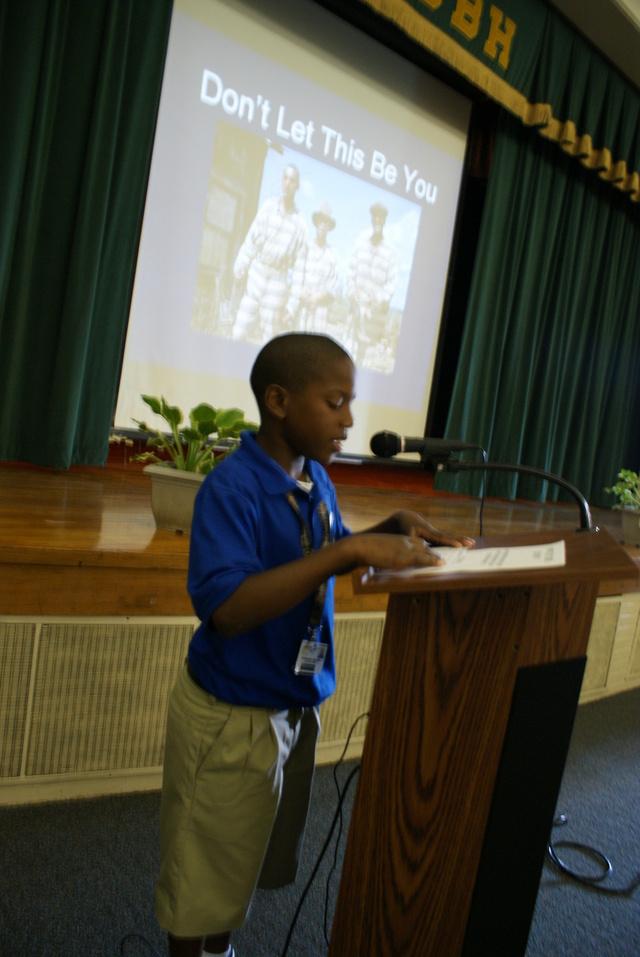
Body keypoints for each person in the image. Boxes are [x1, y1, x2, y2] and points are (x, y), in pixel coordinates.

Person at [155, 332, 474, 957]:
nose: (350, 420)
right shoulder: (232, 488)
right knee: (204, 880)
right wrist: (348, 551)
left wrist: (389, 530)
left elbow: (323, 547)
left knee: (240, 862)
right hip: (231, 717)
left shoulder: (315, 479)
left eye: (351, 402)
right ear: (278, 400)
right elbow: (227, 610)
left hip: (291, 707)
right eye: (336, 402)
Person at [231, 164, 307, 343]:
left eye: (292, 180)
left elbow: (299, 269)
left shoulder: (300, 223)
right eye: (285, 178)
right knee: (238, 332)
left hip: (277, 282)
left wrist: (292, 305)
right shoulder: (268, 207)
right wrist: (240, 266)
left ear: (297, 186)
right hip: (257, 273)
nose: (287, 184)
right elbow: (250, 241)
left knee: (269, 341)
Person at [347, 202, 398, 365]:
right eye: (375, 216)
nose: (377, 220)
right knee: (347, 364)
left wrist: (374, 299)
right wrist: (353, 292)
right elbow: (350, 273)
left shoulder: (390, 252)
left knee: (366, 368)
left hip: (373, 321)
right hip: (354, 318)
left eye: (380, 217)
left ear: (384, 221)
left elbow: (391, 285)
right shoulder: (360, 243)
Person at [288, 201, 338, 333]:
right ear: (316, 223)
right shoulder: (306, 248)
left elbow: (334, 285)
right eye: (320, 221)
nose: (322, 225)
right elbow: (296, 276)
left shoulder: (332, 254)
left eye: (326, 222)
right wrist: (302, 290)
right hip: (303, 306)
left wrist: (318, 297)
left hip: (320, 310)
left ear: (329, 226)